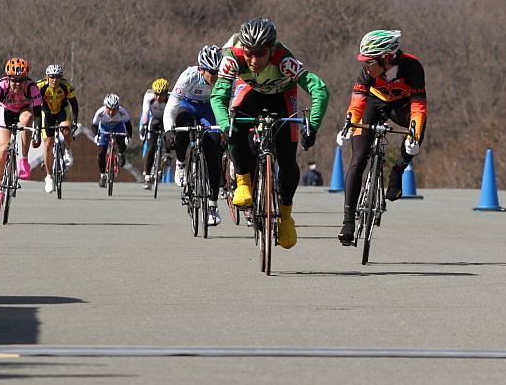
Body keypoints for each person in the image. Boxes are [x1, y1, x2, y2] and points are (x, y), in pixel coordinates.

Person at [210, 17, 330, 249]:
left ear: (272, 50)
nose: (254, 60)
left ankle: (285, 215)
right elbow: (219, 96)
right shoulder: (232, 59)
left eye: (261, 53)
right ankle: (244, 182)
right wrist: (226, 127)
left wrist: (312, 126)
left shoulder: (284, 60)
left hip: (283, 96)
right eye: (249, 53)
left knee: (287, 159)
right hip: (251, 92)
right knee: (235, 129)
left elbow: (320, 89)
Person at [336, 30, 426, 245]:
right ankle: (348, 222)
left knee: (417, 129)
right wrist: (349, 125)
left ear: (387, 59)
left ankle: (397, 172)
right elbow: (357, 101)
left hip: (401, 105)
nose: (365, 66)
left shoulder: (412, 67)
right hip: (372, 104)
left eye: (370, 61)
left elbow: (419, 107)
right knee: (358, 160)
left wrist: (415, 136)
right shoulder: (367, 72)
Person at [163, 46, 223, 226]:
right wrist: (168, 131)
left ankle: (212, 205)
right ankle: (181, 164)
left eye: (217, 72)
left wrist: (227, 130)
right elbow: (171, 107)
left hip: (210, 109)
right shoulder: (188, 76)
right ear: (201, 69)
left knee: (214, 151)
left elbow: (230, 105)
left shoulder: (225, 78)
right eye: (211, 72)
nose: (215, 76)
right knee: (182, 127)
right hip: (187, 106)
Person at [0, 58, 43, 211]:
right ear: (8, 78)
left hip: (24, 110)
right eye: (14, 80)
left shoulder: (32, 88)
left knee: (27, 119)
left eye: (21, 80)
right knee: (3, 149)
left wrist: (37, 131)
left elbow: (37, 114)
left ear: (26, 78)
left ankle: (24, 160)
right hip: (6, 111)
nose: (18, 84)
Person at [37, 64, 79, 193]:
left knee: (66, 129)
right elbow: (34, 107)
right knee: (48, 143)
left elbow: (74, 105)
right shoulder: (39, 87)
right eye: (52, 77)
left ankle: (68, 150)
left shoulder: (66, 86)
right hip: (46, 113)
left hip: (62, 111)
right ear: (47, 77)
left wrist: (75, 122)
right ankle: (49, 177)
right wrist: (37, 125)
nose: (54, 80)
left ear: (61, 78)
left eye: (57, 77)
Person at [91, 93, 132, 188]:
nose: (111, 112)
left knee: (122, 142)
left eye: (114, 110)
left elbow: (128, 126)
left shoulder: (123, 112)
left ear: (118, 108)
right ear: (105, 107)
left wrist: (128, 137)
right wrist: (96, 135)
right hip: (104, 129)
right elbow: (94, 125)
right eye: (109, 109)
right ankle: (103, 175)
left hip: (118, 127)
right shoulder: (100, 112)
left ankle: (121, 153)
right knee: (101, 152)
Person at [141, 78, 169, 190]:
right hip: (155, 119)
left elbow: (174, 115)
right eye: (157, 94)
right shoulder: (149, 97)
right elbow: (145, 112)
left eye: (162, 95)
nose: (158, 97)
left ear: (166, 94)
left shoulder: (171, 99)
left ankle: (167, 154)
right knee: (151, 147)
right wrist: (144, 126)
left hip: (167, 119)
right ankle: (147, 175)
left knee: (170, 135)